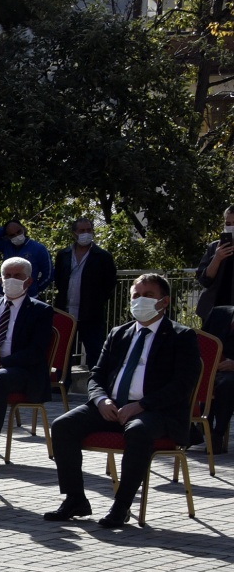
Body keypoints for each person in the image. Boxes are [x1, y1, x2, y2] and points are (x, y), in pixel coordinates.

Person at [45, 274, 202, 528]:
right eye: (136, 296)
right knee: (63, 425)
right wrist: (101, 400)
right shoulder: (119, 333)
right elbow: (97, 375)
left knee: (138, 432)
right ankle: (75, 499)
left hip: (156, 411)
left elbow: (182, 385)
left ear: (164, 302)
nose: (140, 301)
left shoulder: (181, 336)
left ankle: (121, 506)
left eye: (148, 295)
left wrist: (142, 405)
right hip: (112, 406)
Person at [0, 256, 54, 467]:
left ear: (29, 281)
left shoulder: (41, 311)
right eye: (7, 275)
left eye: (18, 276)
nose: (11, 280)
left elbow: (36, 351)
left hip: (22, 371)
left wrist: (1, 363)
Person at [52, 218, 118, 369]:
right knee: (63, 353)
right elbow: (59, 279)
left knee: (95, 353)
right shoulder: (64, 254)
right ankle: (60, 388)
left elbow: (110, 284)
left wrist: (96, 301)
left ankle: (96, 387)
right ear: (74, 233)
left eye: (89, 230)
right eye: (82, 231)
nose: (86, 234)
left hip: (91, 314)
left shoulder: (102, 256)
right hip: (66, 312)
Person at [0, 219, 52, 298]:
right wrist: (7, 227)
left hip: (28, 297)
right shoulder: (6, 246)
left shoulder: (39, 249)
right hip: (4, 296)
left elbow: (48, 274)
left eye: (18, 232)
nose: (16, 236)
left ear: (24, 229)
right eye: (12, 235)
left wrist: (35, 288)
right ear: (7, 236)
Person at [203, 305, 234, 455]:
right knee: (189, 380)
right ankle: (192, 431)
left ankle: (217, 434)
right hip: (209, 368)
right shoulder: (218, 313)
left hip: (231, 372)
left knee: (227, 384)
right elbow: (200, 342)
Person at [195, 207, 234, 320]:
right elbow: (204, 280)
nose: (231, 227)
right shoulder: (214, 247)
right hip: (212, 312)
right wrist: (217, 258)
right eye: (228, 223)